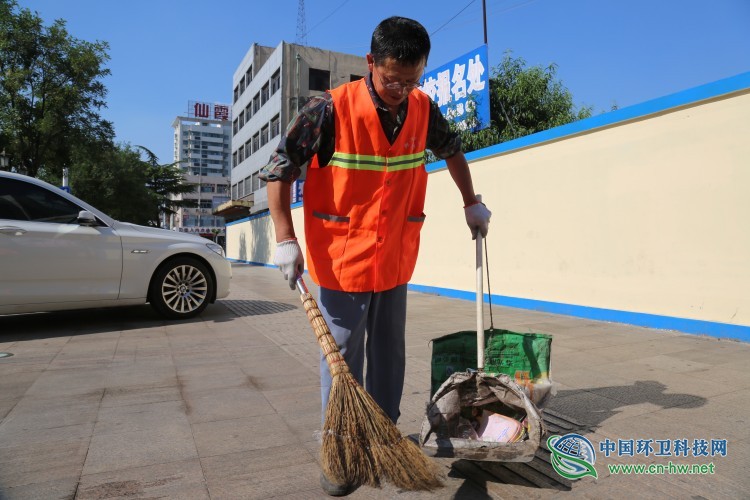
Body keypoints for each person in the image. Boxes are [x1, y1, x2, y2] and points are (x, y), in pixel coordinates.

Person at [260, 15, 491, 495]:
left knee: (389, 354)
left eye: (412, 80)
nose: (402, 89)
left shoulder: (424, 108)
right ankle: (341, 446)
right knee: (341, 355)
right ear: (370, 63)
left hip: (394, 256)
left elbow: (452, 152)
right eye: (392, 79)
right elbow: (280, 169)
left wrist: (471, 201)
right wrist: (285, 237)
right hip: (342, 258)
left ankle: (384, 435)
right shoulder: (329, 108)